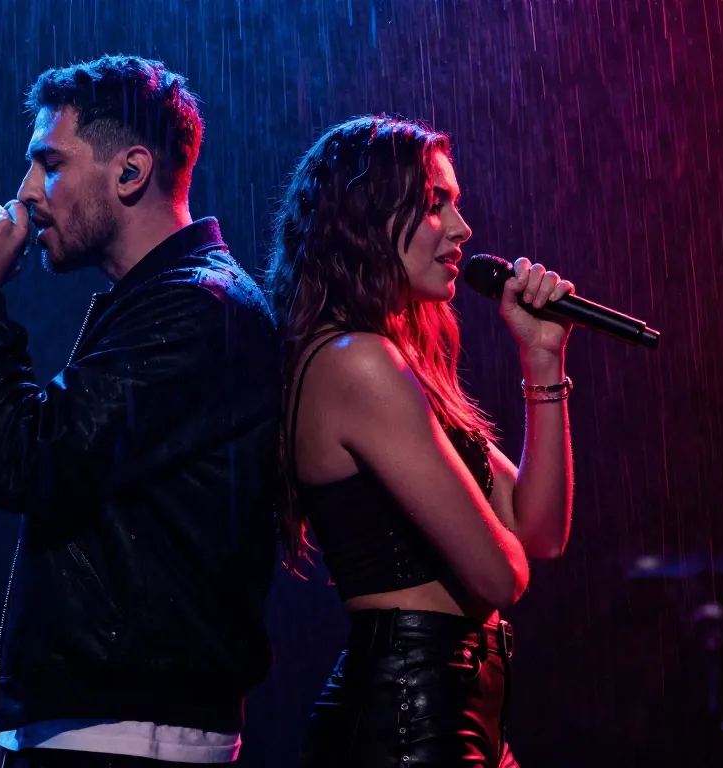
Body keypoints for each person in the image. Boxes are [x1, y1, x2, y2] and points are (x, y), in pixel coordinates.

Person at [0, 55, 280, 767]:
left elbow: (24, 459)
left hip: (126, 740)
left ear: (130, 171)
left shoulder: (197, 308)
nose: (25, 193)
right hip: (89, 730)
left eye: (49, 164)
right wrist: (13, 730)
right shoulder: (163, 304)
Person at [265, 115, 576, 767]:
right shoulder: (357, 362)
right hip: (407, 715)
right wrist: (499, 543)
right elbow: (502, 576)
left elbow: (541, 532)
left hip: (450, 708)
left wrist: (542, 360)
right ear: (367, 217)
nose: (462, 229)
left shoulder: (390, 357)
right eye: (436, 205)